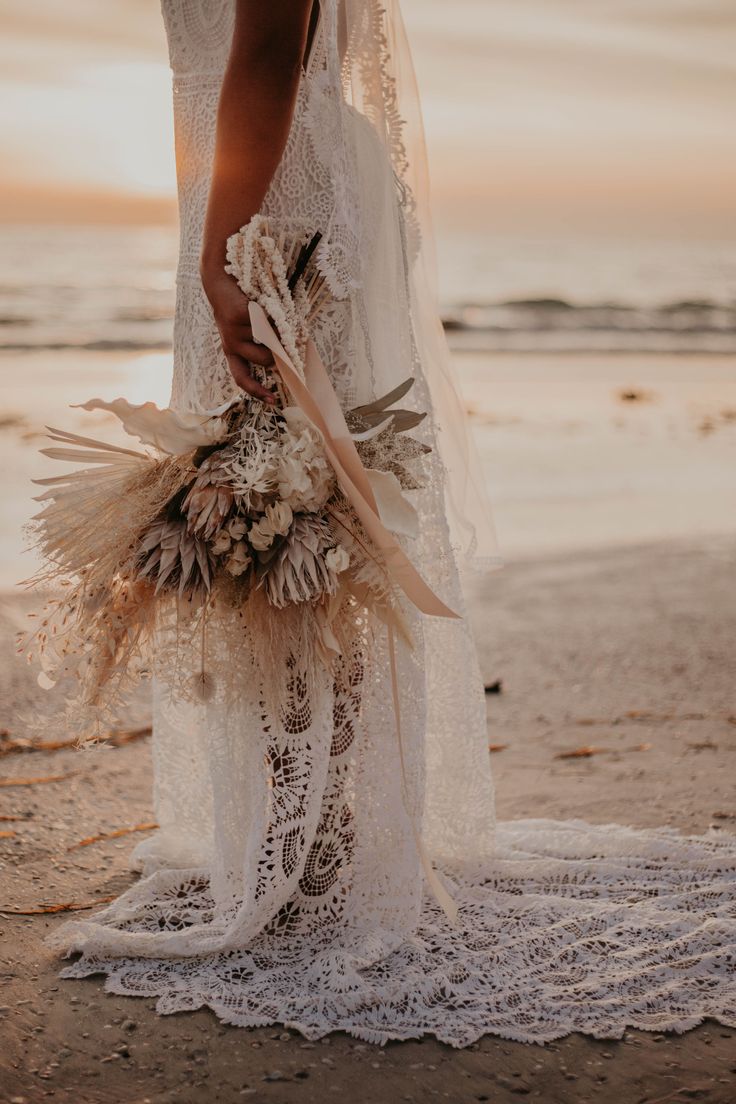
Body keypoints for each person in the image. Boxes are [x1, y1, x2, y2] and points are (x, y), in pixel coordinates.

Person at [49, 0, 735, 1046]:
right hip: (260, 175)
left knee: (299, 519)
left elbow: (271, 42)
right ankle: (307, 833)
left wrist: (217, 247)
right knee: (291, 513)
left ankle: (316, 852)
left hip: (267, 190)